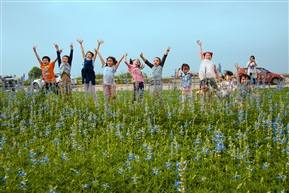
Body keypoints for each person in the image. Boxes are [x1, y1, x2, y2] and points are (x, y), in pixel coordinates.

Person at [77, 39, 103, 106]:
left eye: (90, 54)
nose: (88, 55)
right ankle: (86, 103)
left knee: (93, 91)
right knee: (86, 91)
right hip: (85, 75)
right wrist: (81, 44)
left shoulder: (92, 60)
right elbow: (82, 51)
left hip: (91, 75)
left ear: (92, 56)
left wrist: (98, 45)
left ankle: (96, 103)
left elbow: (96, 53)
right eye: (87, 54)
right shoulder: (85, 59)